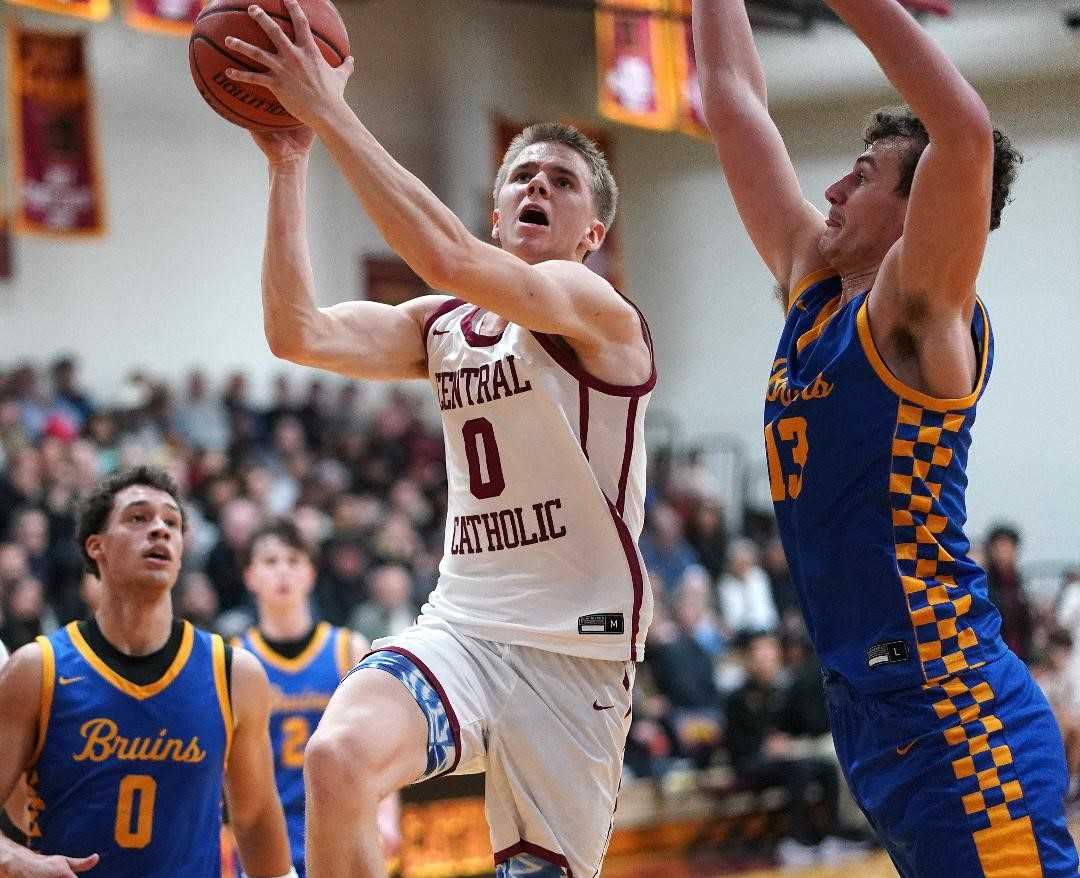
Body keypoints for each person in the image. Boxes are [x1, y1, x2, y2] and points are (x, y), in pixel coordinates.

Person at [225, 5, 655, 875]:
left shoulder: (597, 312)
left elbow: (449, 257)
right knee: (336, 757)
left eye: (562, 182)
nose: (538, 186)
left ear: (592, 237)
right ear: (497, 212)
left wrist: (329, 110)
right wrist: (289, 161)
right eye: (523, 177)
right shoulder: (445, 326)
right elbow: (298, 332)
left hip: (577, 657)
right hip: (462, 626)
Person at [692, 0, 1077, 874]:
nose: (830, 189)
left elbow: (964, 133)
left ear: (920, 211)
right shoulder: (812, 291)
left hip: (952, 709)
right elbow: (729, 99)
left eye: (861, 175)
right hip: (869, 711)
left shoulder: (922, 306)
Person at [0, 466, 293, 877]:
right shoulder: (37, 670)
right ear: (96, 547)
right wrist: (19, 859)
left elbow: (256, 816)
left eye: (171, 522)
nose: (159, 530)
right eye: (138, 518)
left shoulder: (233, 673)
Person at [235, 519, 399, 876]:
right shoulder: (236, 660)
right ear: (250, 576)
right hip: (266, 842)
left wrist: (387, 816)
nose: (283, 572)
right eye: (270, 561)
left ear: (310, 574)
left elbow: (378, 746)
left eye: (293, 561)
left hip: (342, 833)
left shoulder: (347, 649)